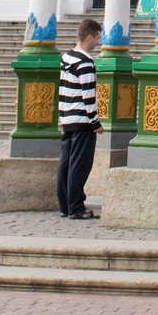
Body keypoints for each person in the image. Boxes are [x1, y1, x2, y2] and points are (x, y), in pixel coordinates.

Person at [57, 18, 103, 220]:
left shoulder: (66, 57)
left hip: (67, 117)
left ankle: (65, 205)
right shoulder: (85, 62)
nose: (98, 42)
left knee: (66, 163)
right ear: (89, 37)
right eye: (97, 38)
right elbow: (88, 94)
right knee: (80, 165)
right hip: (82, 120)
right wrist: (95, 122)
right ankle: (76, 207)